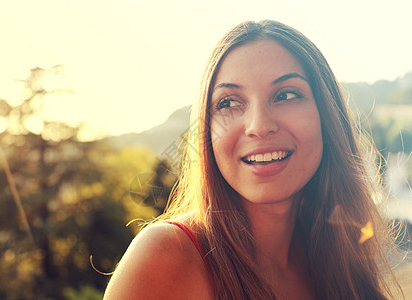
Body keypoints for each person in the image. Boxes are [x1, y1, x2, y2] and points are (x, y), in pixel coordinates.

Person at [103, 20, 403, 299]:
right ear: (206, 131)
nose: (259, 125)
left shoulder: (339, 253)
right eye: (229, 103)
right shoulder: (167, 257)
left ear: (327, 116)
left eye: (285, 95)